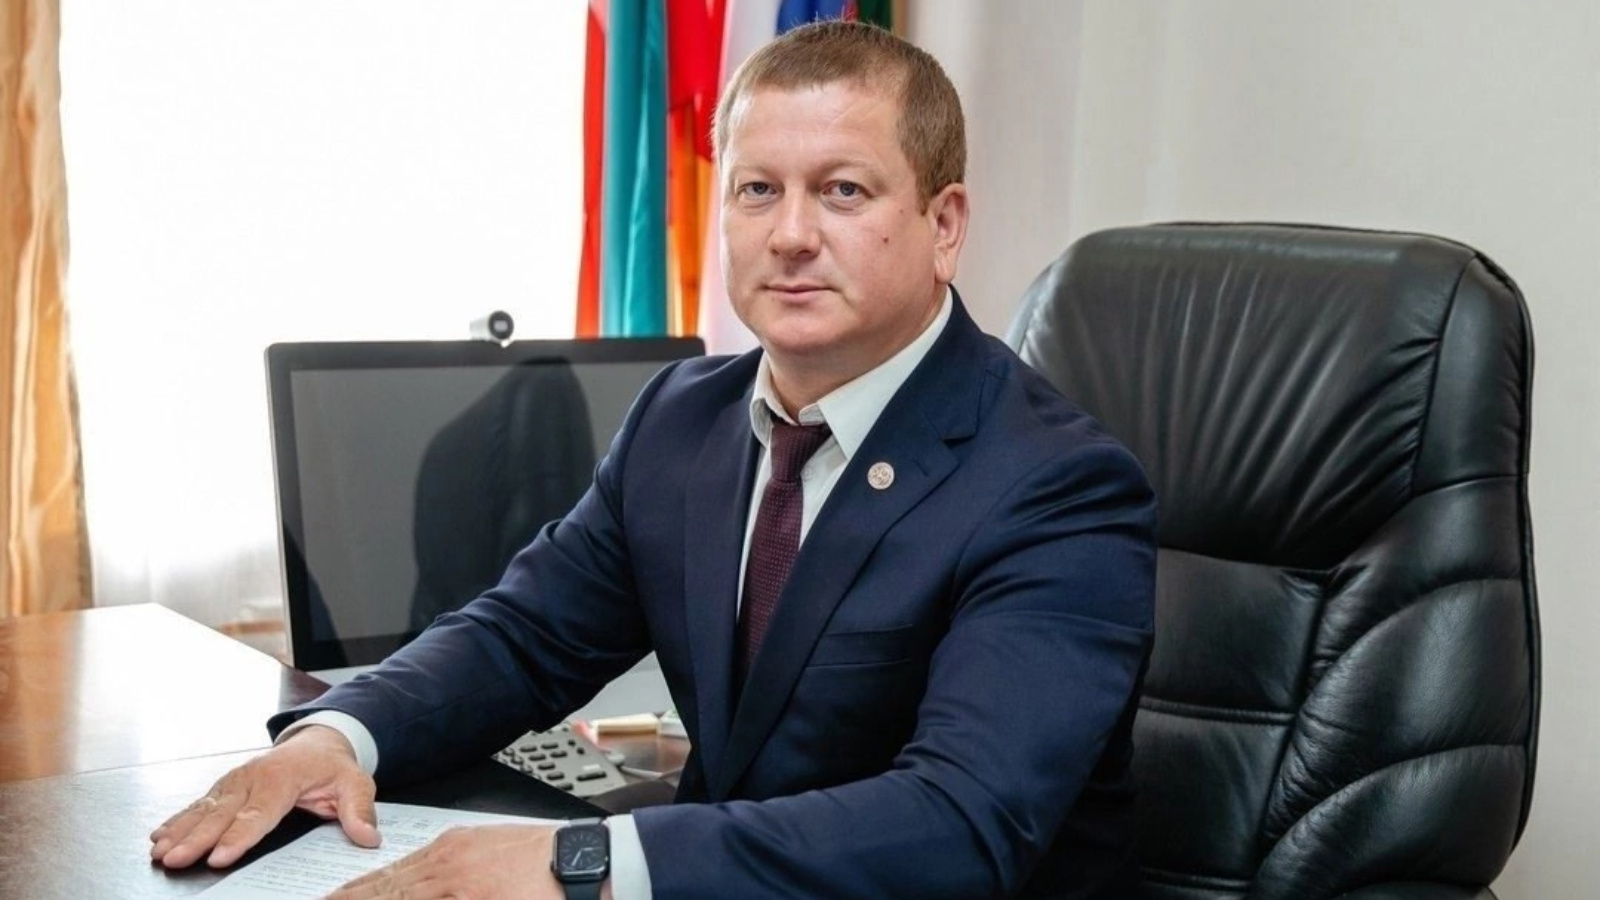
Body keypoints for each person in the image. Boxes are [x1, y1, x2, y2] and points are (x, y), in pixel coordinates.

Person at [150, 20, 1156, 900]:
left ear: (943, 226)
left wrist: (582, 862)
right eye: (756, 190)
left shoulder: (1058, 488)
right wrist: (337, 738)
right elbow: (524, 638)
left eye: (842, 191)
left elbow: (959, 823)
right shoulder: (685, 416)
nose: (791, 235)